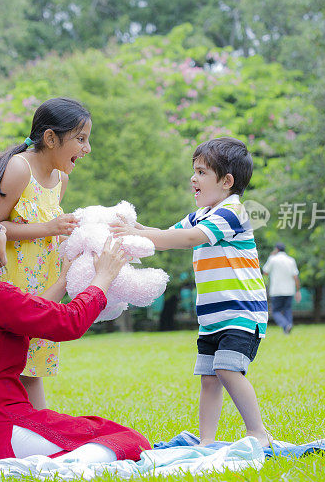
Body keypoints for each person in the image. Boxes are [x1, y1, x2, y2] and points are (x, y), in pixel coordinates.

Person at [0, 194, 151, 465]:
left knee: (91, 428)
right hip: (3, 431)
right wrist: (103, 278)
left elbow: (31, 317)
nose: (5, 233)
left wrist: (64, 281)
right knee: (130, 441)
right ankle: (63, 468)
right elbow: (70, 321)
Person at [111, 137, 272, 447]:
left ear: (227, 182)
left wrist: (137, 233)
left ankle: (258, 432)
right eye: (194, 171)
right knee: (209, 379)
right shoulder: (201, 214)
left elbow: (187, 239)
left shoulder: (232, 212)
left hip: (241, 312)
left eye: (200, 172)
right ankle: (206, 442)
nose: (192, 179)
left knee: (227, 369)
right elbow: (166, 235)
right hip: (213, 318)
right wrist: (129, 229)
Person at [0, 97, 91, 409]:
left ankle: (42, 431)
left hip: (44, 285)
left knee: (32, 369)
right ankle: (8, 428)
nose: (87, 148)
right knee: (7, 365)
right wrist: (49, 228)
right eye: (80, 140)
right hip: (10, 283)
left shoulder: (60, 180)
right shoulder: (19, 168)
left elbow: (55, 231)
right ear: (51, 138)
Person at [262, 242, 300, 334]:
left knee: (276, 311)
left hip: (276, 290)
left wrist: (271, 256)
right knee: (287, 309)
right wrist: (298, 291)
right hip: (289, 290)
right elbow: (295, 276)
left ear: (276, 249)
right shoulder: (291, 260)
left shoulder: (273, 259)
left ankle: (285, 325)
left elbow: (265, 272)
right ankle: (288, 327)